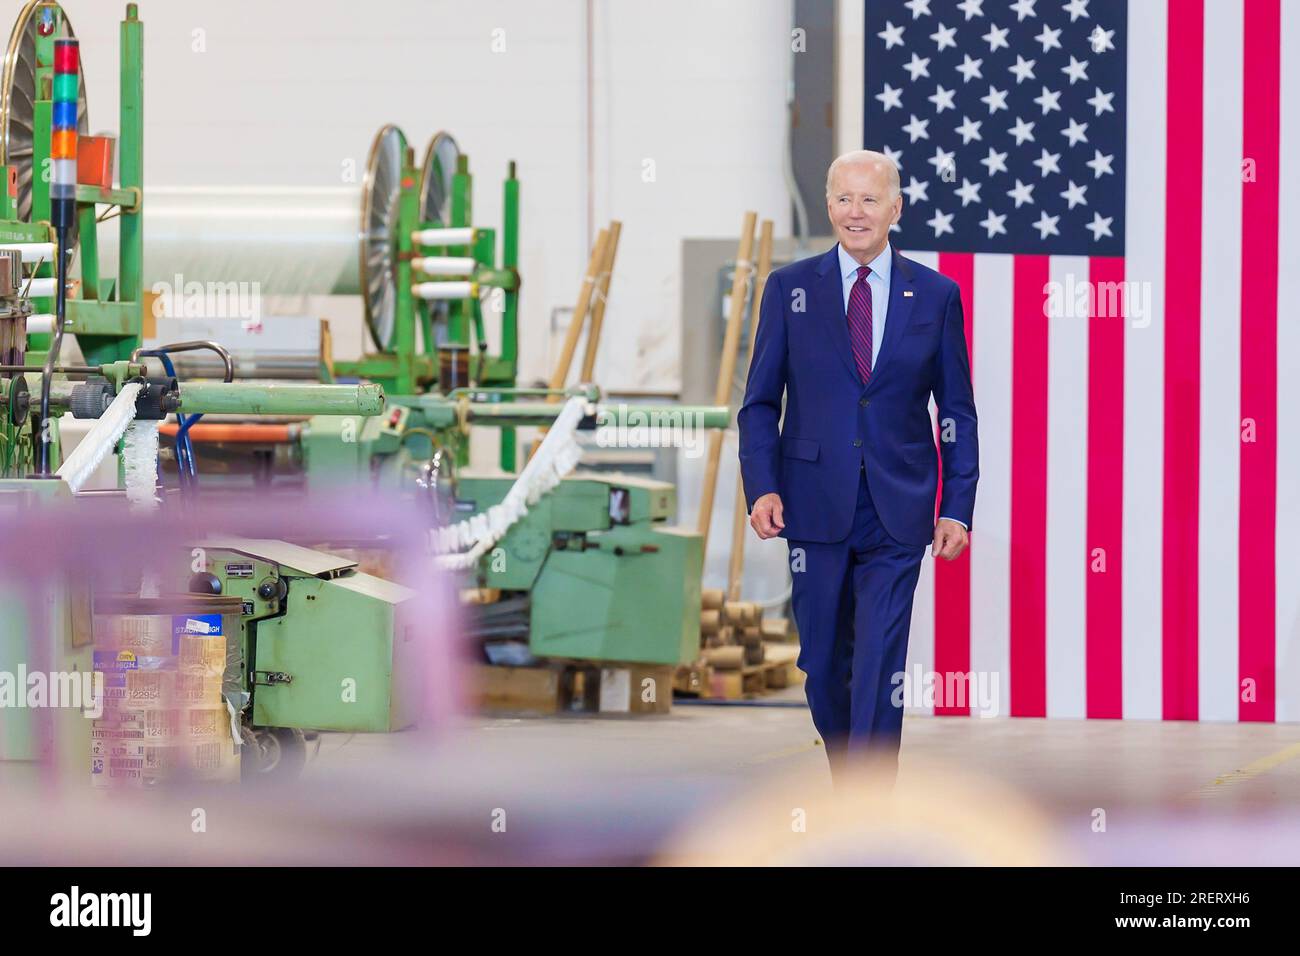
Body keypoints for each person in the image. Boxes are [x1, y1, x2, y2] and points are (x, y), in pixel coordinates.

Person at [737, 149, 979, 783]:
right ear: (828, 205)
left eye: (870, 200)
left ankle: (867, 796)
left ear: (895, 209)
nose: (856, 212)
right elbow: (760, 402)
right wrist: (760, 486)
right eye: (844, 198)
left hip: (898, 509)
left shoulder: (935, 294)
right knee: (821, 661)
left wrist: (956, 504)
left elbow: (957, 410)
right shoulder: (790, 290)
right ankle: (851, 777)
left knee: (878, 658)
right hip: (812, 503)